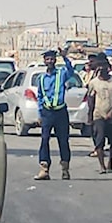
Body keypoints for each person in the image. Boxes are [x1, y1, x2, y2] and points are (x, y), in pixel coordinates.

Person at [33, 48, 76, 181]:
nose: (50, 61)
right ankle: (44, 168)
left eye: (52, 59)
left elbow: (71, 71)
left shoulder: (61, 74)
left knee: (63, 141)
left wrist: (65, 58)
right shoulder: (41, 78)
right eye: (47, 59)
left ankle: (65, 169)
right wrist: (40, 114)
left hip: (60, 112)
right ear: (44, 61)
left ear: (55, 60)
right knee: (44, 139)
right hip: (47, 113)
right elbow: (40, 97)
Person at [87, 53, 112, 174]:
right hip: (99, 114)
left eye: (104, 66)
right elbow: (91, 99)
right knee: (99, 139)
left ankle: (110, 163)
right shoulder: (94, 82)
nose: (102, 68)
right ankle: (102, 165)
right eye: (99, 66)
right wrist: (90, 116)